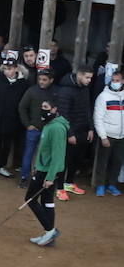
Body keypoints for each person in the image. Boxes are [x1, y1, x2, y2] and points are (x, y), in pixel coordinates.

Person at [26, 95, 68, 246]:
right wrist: (37, 167)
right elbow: (44, 150)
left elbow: (57, 154)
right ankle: (48, 234)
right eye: (42, 107)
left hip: (49, 171)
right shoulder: (49, 125)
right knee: (47, 201)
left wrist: (50, 177)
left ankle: (50, 230)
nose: (42, 110)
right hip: (44, 169)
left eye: (46, 108)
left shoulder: (56, 128)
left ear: (54, 109)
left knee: (30, 199)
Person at [53, 67, 94, 200]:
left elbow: (88, 109)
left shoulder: (85, 89)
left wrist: (91, 128)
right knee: (63, 161)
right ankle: (59, 188)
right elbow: (63, 114)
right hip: (69, 132)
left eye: (90, 78)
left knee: (76, 160)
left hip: (83, 131)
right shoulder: (65, 90)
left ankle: (69, 183)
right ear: (80, 75)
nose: (89, 80)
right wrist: (69, 134)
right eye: (87, 77)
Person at [92, 67, 124, 196]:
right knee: (103, 161)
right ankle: (100, 185)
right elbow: (98, 117)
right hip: (108, 135)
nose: (115, 82)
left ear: (122, 81)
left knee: (117, 161)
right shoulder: (103, 97)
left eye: (117, 80)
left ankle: (112, 185)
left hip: (121, 136)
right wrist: (103, 136)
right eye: (113, 80)